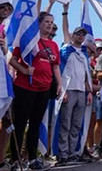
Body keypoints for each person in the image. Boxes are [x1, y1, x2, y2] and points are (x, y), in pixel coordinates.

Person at [10, 12, 62, 170]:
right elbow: (12, 59)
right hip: (25, 87)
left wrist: (59, 84)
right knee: (20, 124)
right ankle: (15, 160)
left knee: (35, 124)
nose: (49, 24)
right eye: (46, 21)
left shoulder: (53, 45)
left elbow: (55, 66)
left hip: (44, 89)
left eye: (51, 22)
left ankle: (32, 159)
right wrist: (24, 70)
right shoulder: (28, 40)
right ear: (38, 23)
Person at [56, 25, 93, 166]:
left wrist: (89, 91)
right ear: (73, 35)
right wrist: (63, 91)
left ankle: (73, 153)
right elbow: (61, 70)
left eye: (83, 35)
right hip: (69, 91)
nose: (81, 36)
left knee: (76, 125)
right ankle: (63, 154)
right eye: (78, 34)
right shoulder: (65, 50)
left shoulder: (84, 53)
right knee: (65, 123)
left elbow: (86, 75)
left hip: (82, 92)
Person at [0, 0, 14, 168]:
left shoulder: (3, 30)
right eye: (2, 7)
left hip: (2, 77)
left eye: (7, 8)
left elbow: (5, 53)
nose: (5, 10)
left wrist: (3, 46)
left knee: (6, 120)